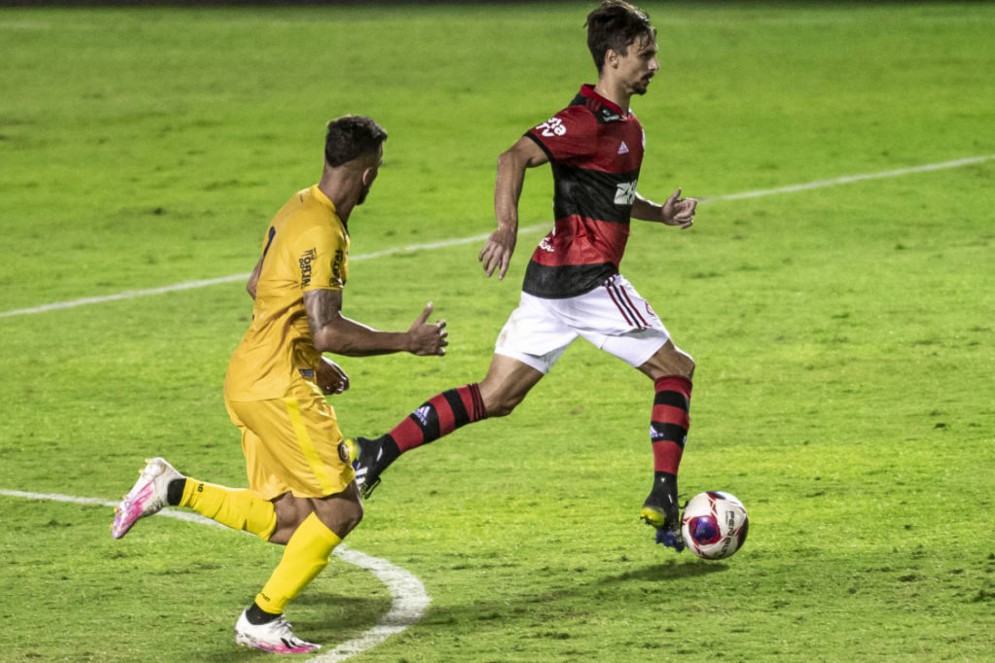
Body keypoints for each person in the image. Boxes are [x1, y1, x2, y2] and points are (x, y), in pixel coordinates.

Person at [349, 0, 697, 551]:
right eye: (645, 55)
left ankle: (378, 451)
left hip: (550, 284)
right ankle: (664, 497)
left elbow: (614, 196)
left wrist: (661, 214)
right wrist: (505, 226)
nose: (655, 65)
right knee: (676, 370)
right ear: (612, 58)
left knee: (496, 397)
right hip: (586, 278)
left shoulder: (626, 125)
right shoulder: (584, 120)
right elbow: (512, 157)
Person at [110, 115, 448, 654]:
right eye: (377, 169)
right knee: (341, 509)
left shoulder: (299, 205)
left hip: (249, 375)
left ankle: (171, 487)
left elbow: (256, 285)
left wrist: (310, 359)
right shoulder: (325, 231)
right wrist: (406, 341)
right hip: (278, 387)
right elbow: (328, 328)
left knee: (292, 519)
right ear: (366, 175)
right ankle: (261, 617)